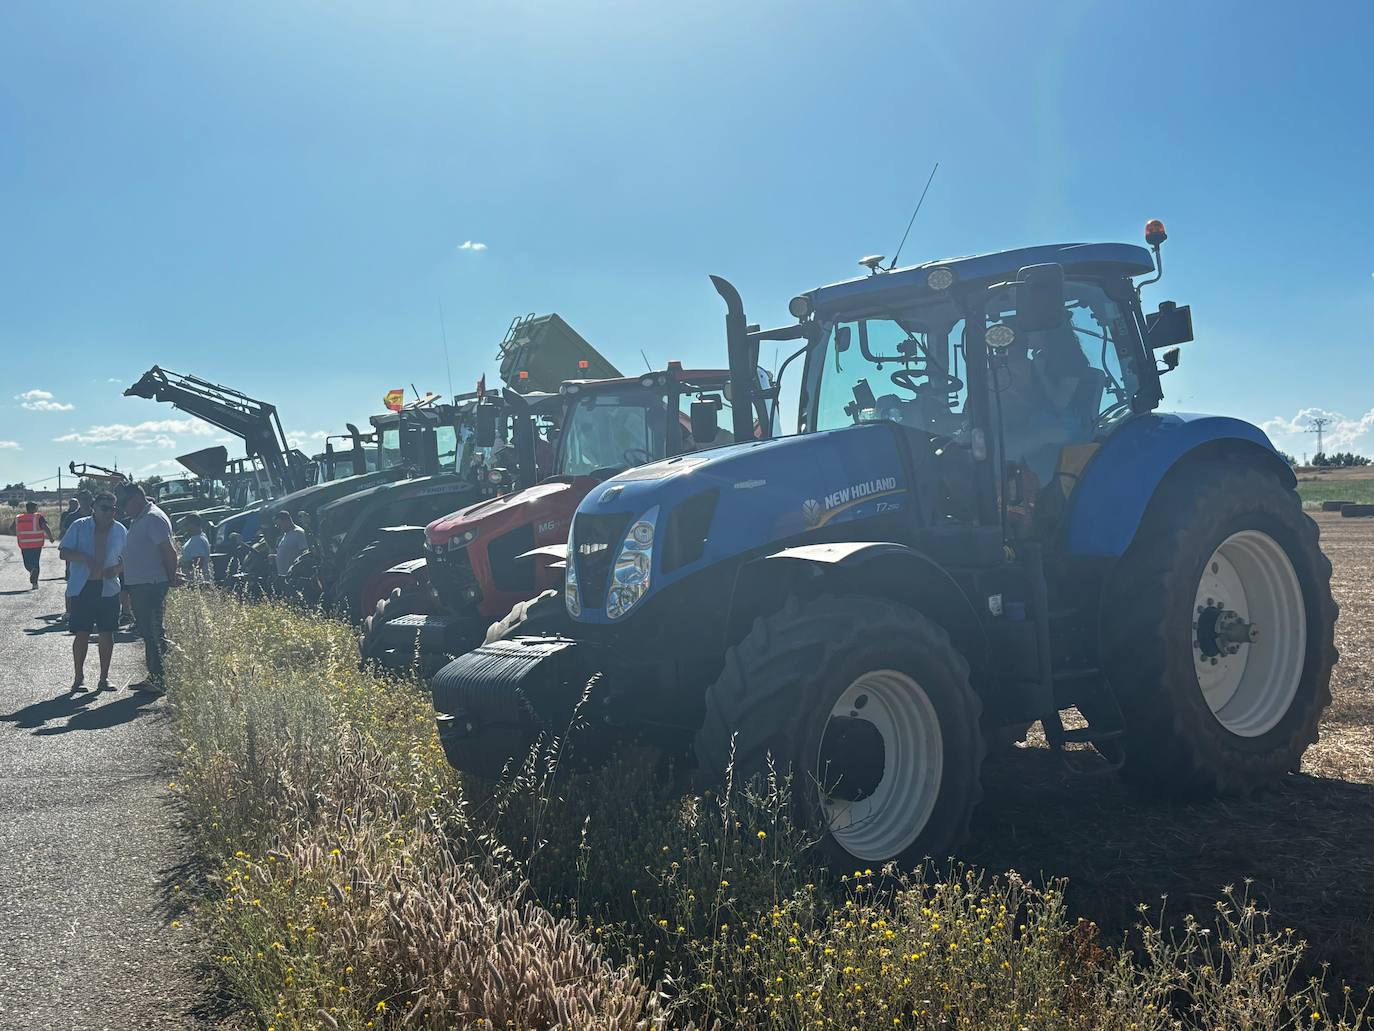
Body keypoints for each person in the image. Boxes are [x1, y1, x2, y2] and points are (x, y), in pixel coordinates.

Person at [58, 492, 126, 692]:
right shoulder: (79, 526)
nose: (109, 512)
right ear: (94, 507)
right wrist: (84, 558)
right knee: (82, 633)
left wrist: (117, 569)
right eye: (105, 508)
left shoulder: (120, 530)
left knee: (107, 632)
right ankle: (78, 678)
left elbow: (128, 558)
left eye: (113, 509)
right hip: (83, 587)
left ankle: (104, 679)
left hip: (109, 588)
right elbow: (63, 552)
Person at [119, 483, 179, 693]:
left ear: (135, 498)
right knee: (148, 631)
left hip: (150, 584)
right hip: (142, 583)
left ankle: (160, 679)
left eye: (124, 505)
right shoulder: (142, 517)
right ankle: (154, 676)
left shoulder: (153, 518)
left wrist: (170, 578)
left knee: (154, 631)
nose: (123, 511)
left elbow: (169, 551)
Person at [15, 501, 55, 589]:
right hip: (37, 544)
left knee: (27, 563)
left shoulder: (19, 518)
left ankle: (31, 570)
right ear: (34, 508)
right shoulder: (38, 517)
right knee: (35, 562)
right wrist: (51, 537)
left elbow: (12, 528)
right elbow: (45, 527)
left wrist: (20, 534)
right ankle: (35, 583)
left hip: (24, 544)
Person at [271, 510, 309, 590]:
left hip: (293, 577)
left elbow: (305, 552)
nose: (278, 527)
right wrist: (275, 556)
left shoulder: (298, 533)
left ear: (286, 521)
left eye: (279, 525)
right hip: (283, 576)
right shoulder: (286, 535)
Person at [179, 513, 211, 583]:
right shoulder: (197, 537)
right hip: (193, 580)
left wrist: (180, 564)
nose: (185, 527)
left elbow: (198, 562)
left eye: (187, 524)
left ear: (194, 524)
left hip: (198, 581)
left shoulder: (198, 540)